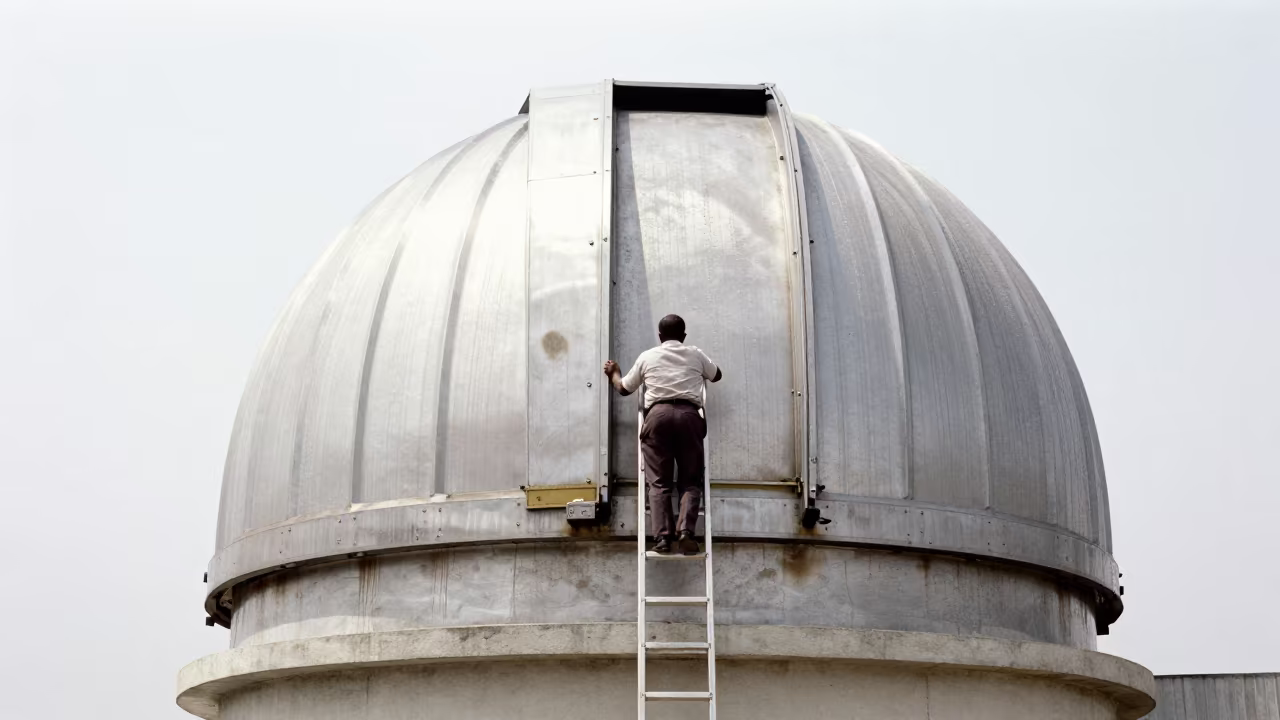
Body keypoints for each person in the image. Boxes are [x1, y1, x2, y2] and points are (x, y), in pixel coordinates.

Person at [603, 314, 723, 555]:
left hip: (657, 418)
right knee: (690, 480)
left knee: (658, 482)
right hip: (689, 416)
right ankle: (686, 532)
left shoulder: (648, 356)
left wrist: (614, 372)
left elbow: (624, 388)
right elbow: (716, 374)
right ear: (684, 336)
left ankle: (663, 539)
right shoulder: (695, 353)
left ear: (659, 336)